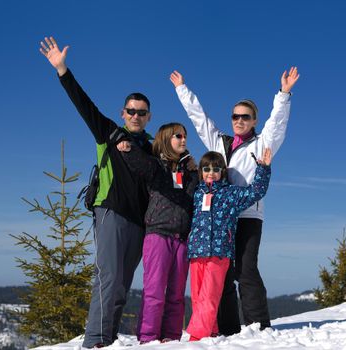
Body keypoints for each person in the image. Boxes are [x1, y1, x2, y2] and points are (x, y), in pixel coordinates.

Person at [40, 37, 153, 349]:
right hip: (111, 214)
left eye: (141, 112)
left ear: (148, 117)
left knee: (122, 285)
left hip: (139, 223)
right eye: (131, 110)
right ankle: (95, 342)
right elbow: (83, 103)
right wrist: (62, 70)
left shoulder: (152, 147)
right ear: (123, 112)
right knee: (108, 279)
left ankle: (109, 337)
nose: (135, 116)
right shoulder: (108, 131)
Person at [170, 67, 299, 334]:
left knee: (246, 269)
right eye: (235, 116)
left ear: (253, 120)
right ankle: (229, 329)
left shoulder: (262, 143)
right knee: (224, 274)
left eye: (245, 117)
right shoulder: (219, 142)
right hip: (220, 218)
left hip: (248, 215)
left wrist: (283, 94)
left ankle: (259, 326)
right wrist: (183, 89)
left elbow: (277, 124)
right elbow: (199, 119)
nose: (239, 120)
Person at [117, 123, 198, 343]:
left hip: (181, 239)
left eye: (185, 136)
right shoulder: (157, 167)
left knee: (176, 295)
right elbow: (140, 165)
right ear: (165, 139)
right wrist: (127, 148)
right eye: (178, 136)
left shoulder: (190, 172)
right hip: (158, 235)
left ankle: (171, 339)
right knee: (154, 292)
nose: (183, 139)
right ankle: (148, 338)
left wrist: (195, 168)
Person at [186, 149, 272, 341]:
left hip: (219, 252)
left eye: (216, 168)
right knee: (198, 296)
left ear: (223, 171)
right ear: (200, 171)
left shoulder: (231, 194)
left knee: (209, 295)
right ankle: (212, 330)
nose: (211, 172)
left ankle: (197, 337)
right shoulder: (196, 192)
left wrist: (263, 169)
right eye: (206, 168)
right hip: (196, 251)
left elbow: (256, 191)